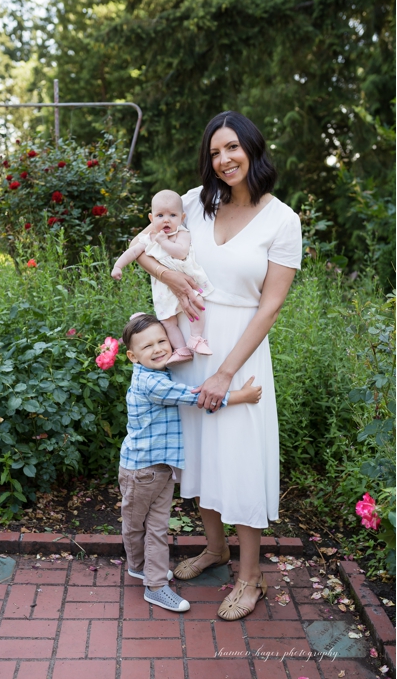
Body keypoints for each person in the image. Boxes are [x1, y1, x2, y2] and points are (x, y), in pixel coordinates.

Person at [135, 110, 302, 621]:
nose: (224, 159)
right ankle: (214, 548)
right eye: (214, 152)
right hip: (193, 345)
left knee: (240, 460)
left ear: (252, 148)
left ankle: (250, 577)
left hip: (241, 354)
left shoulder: (282, 219)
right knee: (200, 454)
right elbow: (143, 247)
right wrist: (176, 279)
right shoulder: (193, 203)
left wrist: (227, 372)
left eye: (232, 147)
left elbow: (270, 306)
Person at [117, 313, 261, 613]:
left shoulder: (156, 373)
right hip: (143, 471)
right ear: (132, 356)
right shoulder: (154, 384)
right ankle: (154, 586)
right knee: (143, 527)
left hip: (157, 469)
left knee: (148, 526)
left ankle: (141, 568)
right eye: (148, 347)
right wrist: (242, 396)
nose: (158, 349)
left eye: (162, 341)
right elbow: (198, 397)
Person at [112, 189, 215, 364]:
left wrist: (163, 241)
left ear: (182, 218)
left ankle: (196, 338)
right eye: (160, 216)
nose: (166, 219)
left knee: (196, 303)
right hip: (163, 288)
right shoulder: (148, 238)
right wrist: (118, 265)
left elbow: (181, 252)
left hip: (186, 280)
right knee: (167, 320)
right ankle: (181, 350)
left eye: (172, 215)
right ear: (151, 219)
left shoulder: (181, 233)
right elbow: (133, 251)